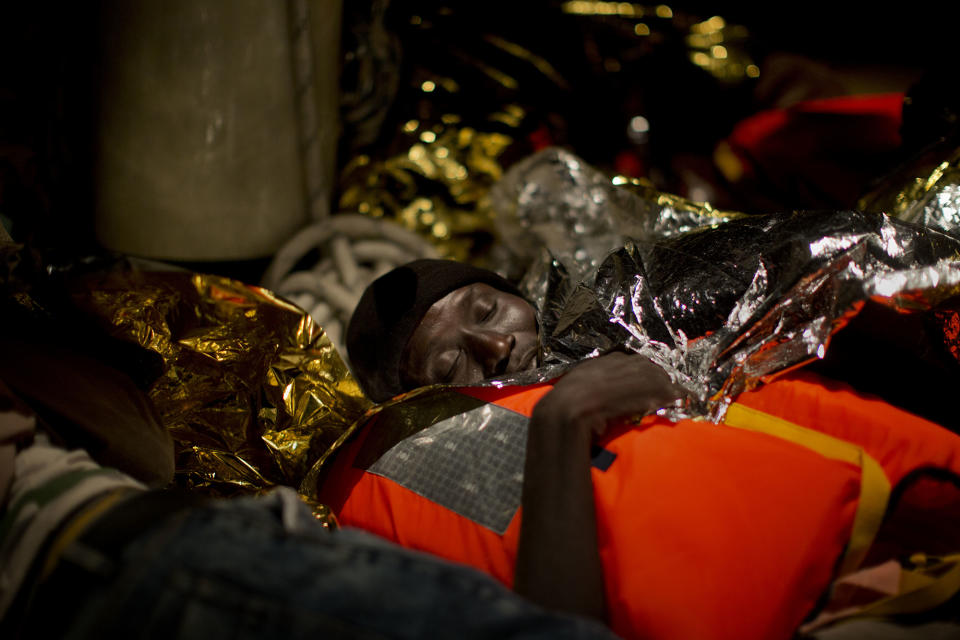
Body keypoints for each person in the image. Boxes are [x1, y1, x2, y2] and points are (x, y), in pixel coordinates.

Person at [346, 259, 686, 620]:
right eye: (449, 365)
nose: (498, 346)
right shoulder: (469, 478)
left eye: (489, 311)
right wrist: (561, 419)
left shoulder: (621, 301)